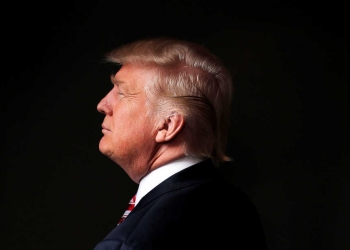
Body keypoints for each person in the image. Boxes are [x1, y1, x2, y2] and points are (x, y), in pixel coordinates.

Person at [94, 37, 267, 250]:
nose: (102, 105)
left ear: (167, 126)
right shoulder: (237, 206)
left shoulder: (130, 243)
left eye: (122, 92)